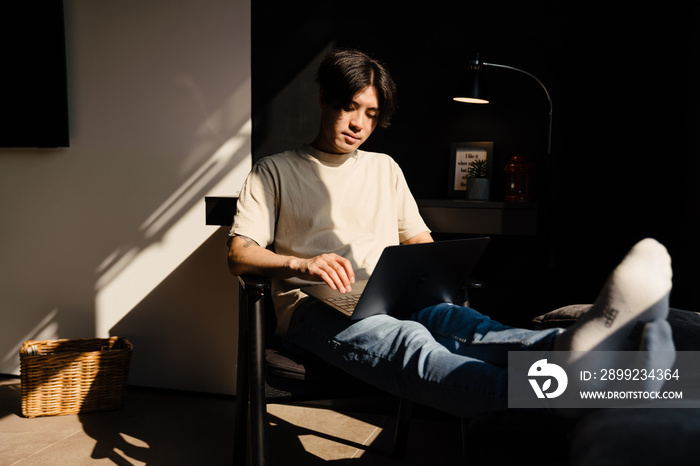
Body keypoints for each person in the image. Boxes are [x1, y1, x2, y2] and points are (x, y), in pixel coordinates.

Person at [227, 48, 675, 417]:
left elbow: (417, 239)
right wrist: (300, 262)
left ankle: (587, 351)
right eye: (349, 107)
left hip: (390, 294)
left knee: (472, 327)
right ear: (326, 98)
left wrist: (425, 272)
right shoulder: (275, 171)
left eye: (370, 113)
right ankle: (599, 386)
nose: (358, 124)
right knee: (413, 345)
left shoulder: (385, 168)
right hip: (316, 308)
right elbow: (239, 253)